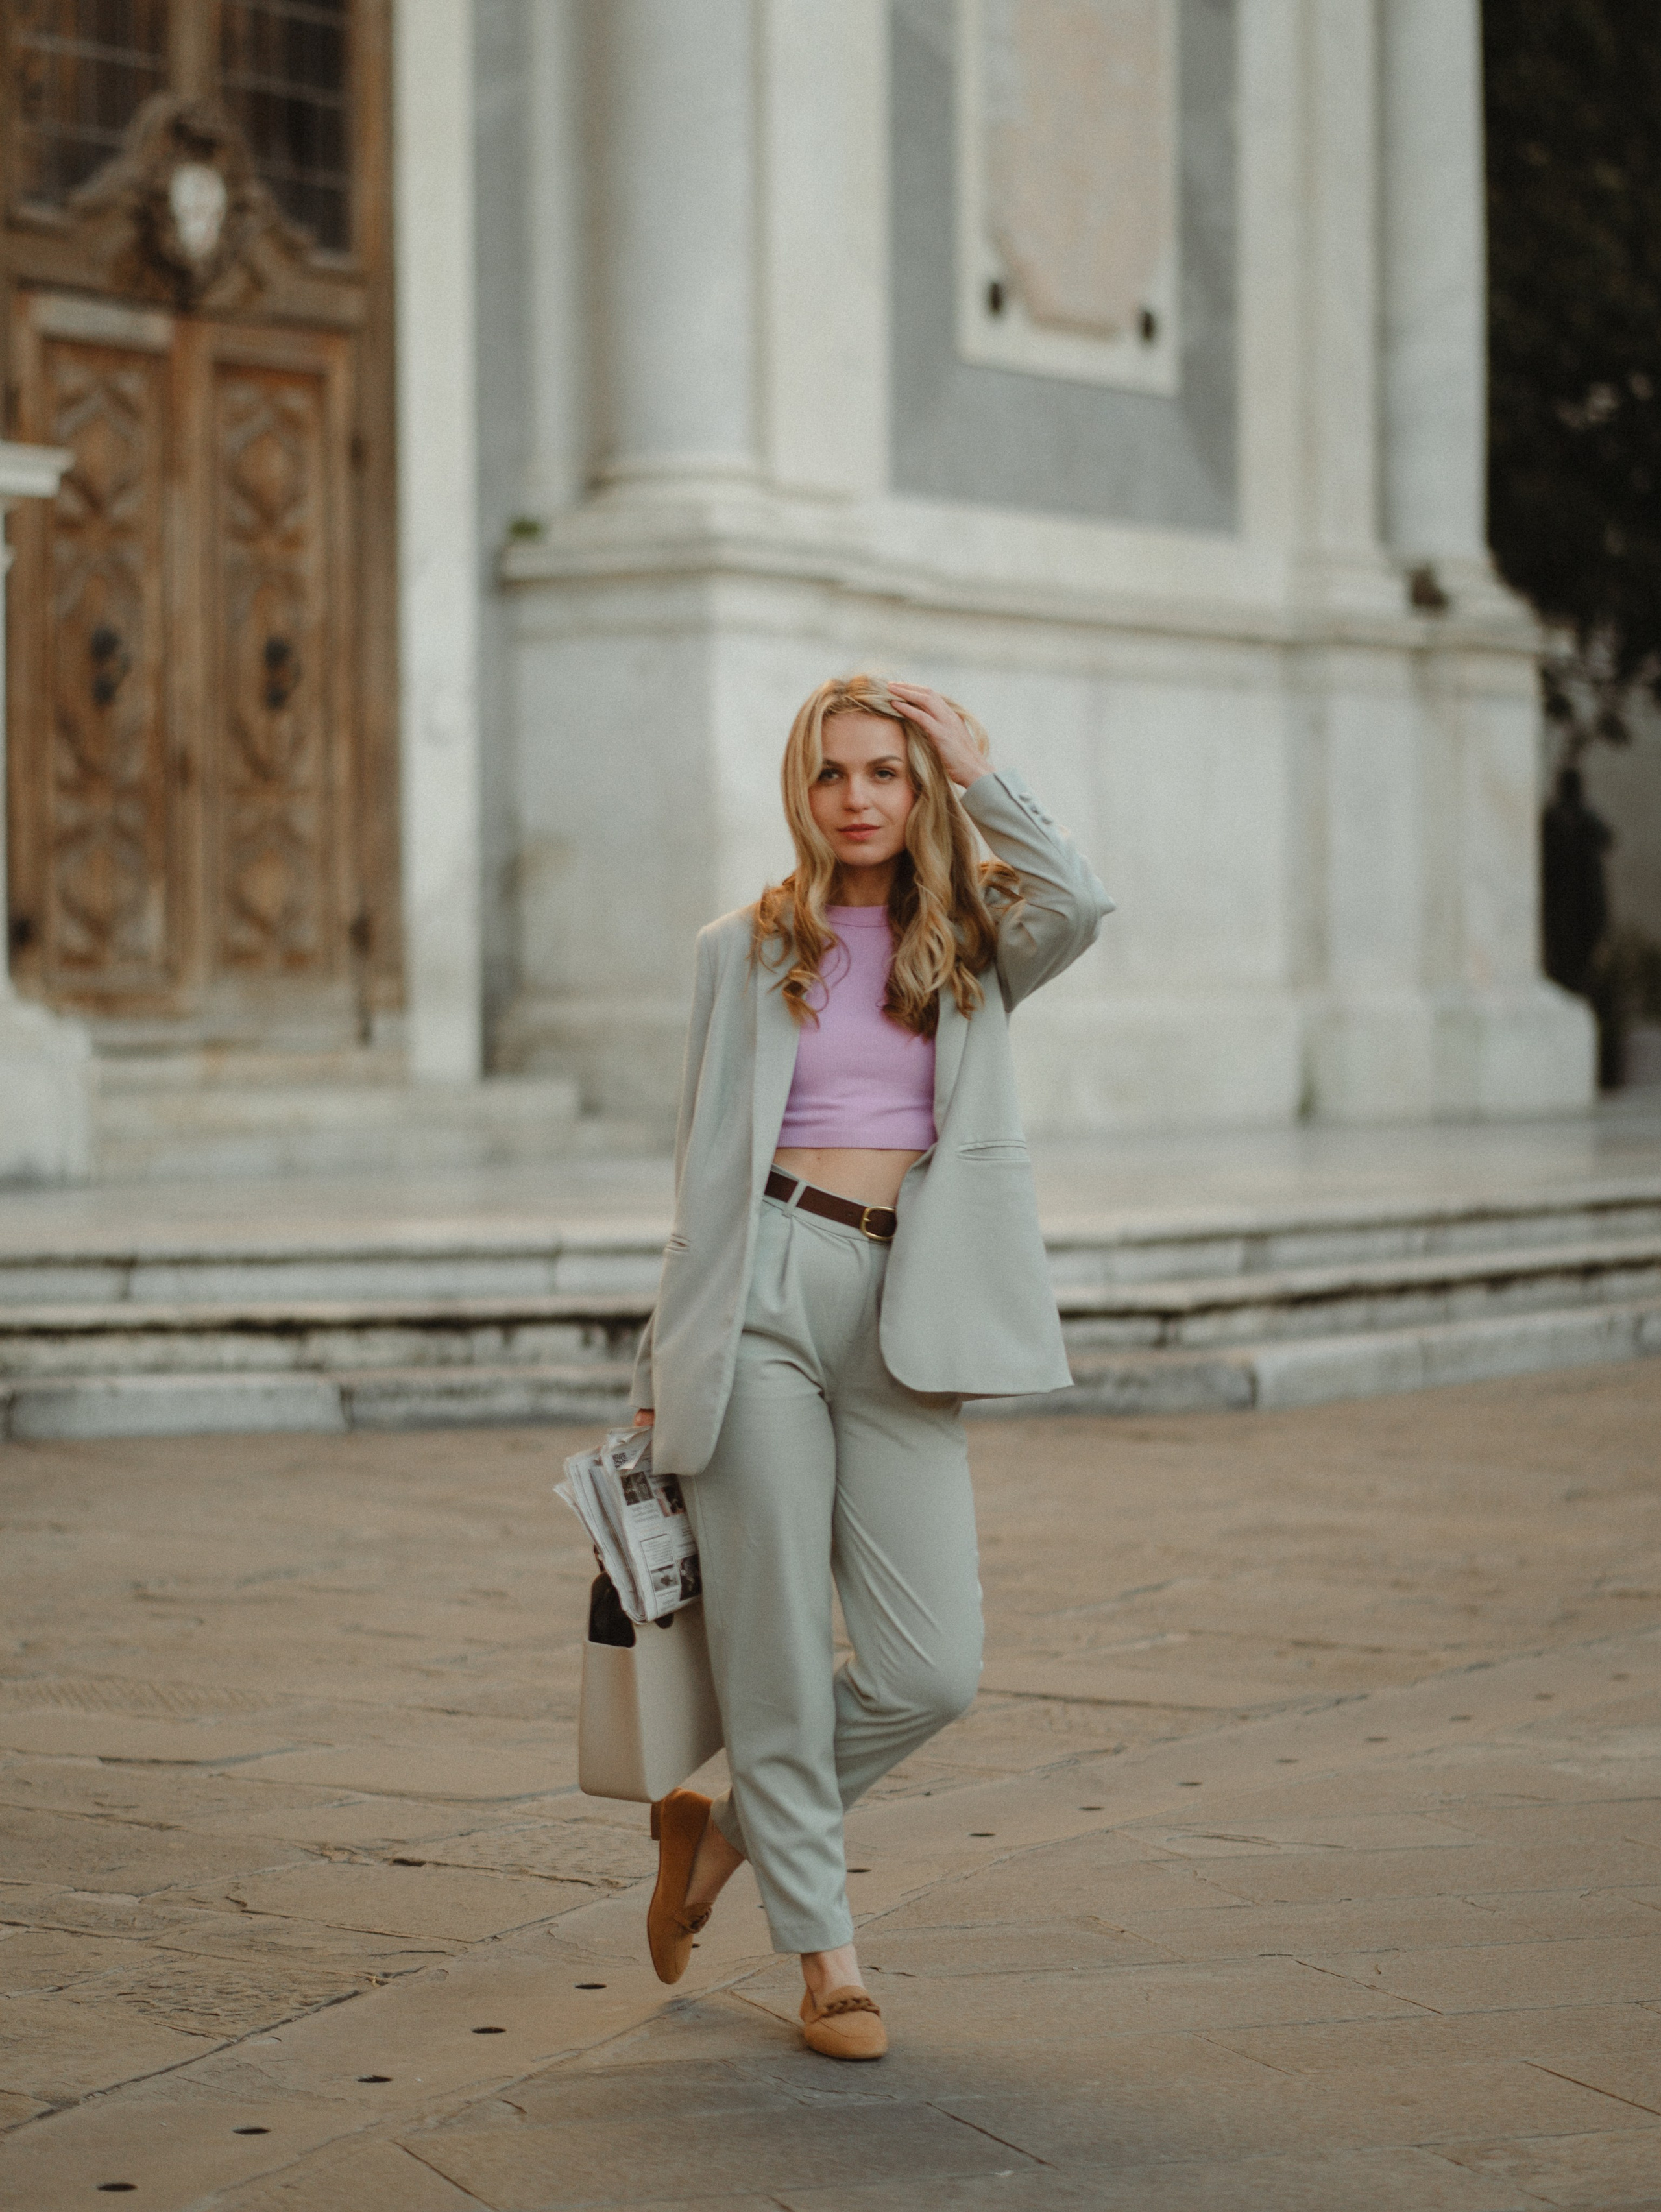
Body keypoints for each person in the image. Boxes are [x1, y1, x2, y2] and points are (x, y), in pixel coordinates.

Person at [629, 673, 1113, 2060]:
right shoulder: (742, 948)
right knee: (774, 1644)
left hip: (910, 1302)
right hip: (762, 1291)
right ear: (803, 788)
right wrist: (662, 1355)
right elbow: (696, 1165)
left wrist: (980, 767)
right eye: (833, 773)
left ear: (916, 794)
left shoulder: (971, 940)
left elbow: (1074, 902)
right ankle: (827, 1957)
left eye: (884, 776)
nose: (856, 798)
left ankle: (720, 1832)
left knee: (928, 1666)